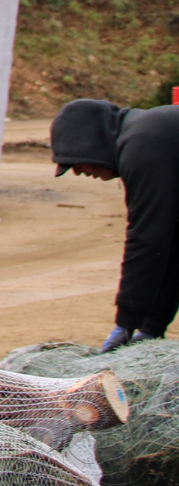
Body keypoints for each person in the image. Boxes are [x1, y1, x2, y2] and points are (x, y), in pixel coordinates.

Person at [51, 98, 179, 351]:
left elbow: (147, 240)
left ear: (91, 143)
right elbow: (171, 243)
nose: (77, 172)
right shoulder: (152, 132)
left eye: (74, 162)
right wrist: (151, 328)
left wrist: (126, 323)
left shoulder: (143, 143)